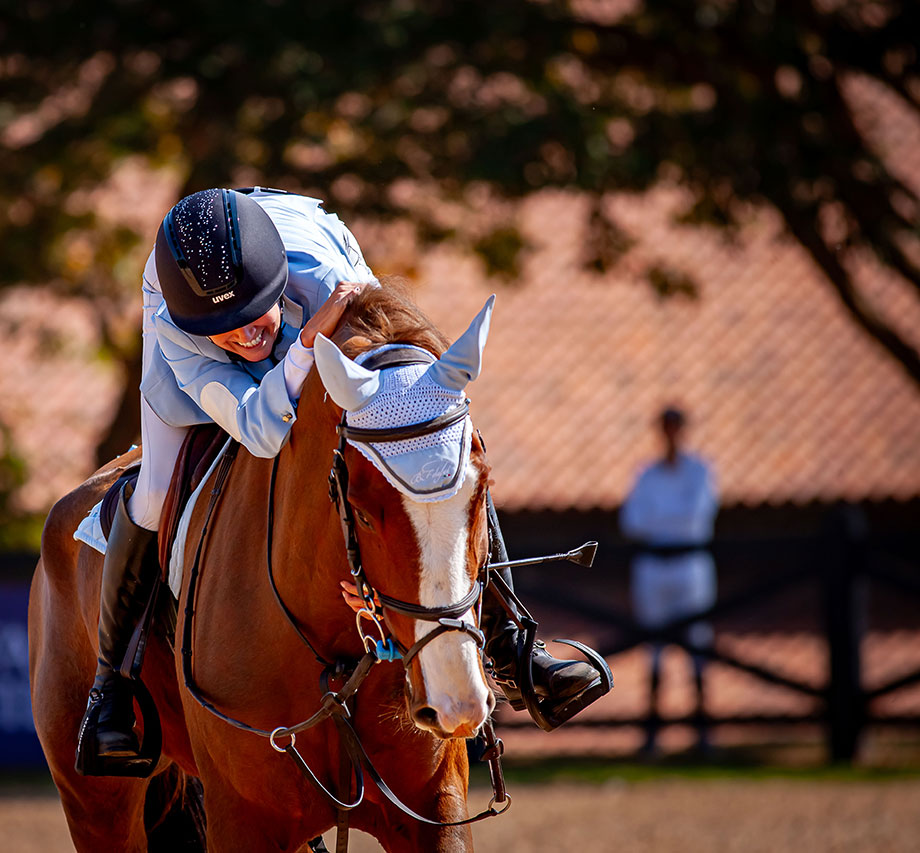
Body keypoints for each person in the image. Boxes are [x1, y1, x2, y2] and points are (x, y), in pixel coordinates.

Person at [76, 187, 605, 774]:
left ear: (280, 288)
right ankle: (111, 684)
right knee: (153, 493)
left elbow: (409, 419)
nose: (246, 338)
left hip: (308, 258)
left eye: (256, 315)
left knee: (432, 439)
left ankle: (514, 649)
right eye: (227, 330)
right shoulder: (179, 326)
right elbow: (259, 429)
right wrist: (304, 343)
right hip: (236, 334)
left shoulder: (333, 285)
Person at [619, 406, 718, 754]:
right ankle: (652, 733)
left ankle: (703, 732)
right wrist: (671, 522)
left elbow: (696, 518)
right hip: (653, 570)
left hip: (690, 568)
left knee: (698, 645)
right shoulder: (647, 475)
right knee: (653, 648)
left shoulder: (700, 472)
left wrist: (660, 521)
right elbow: (632, 522)